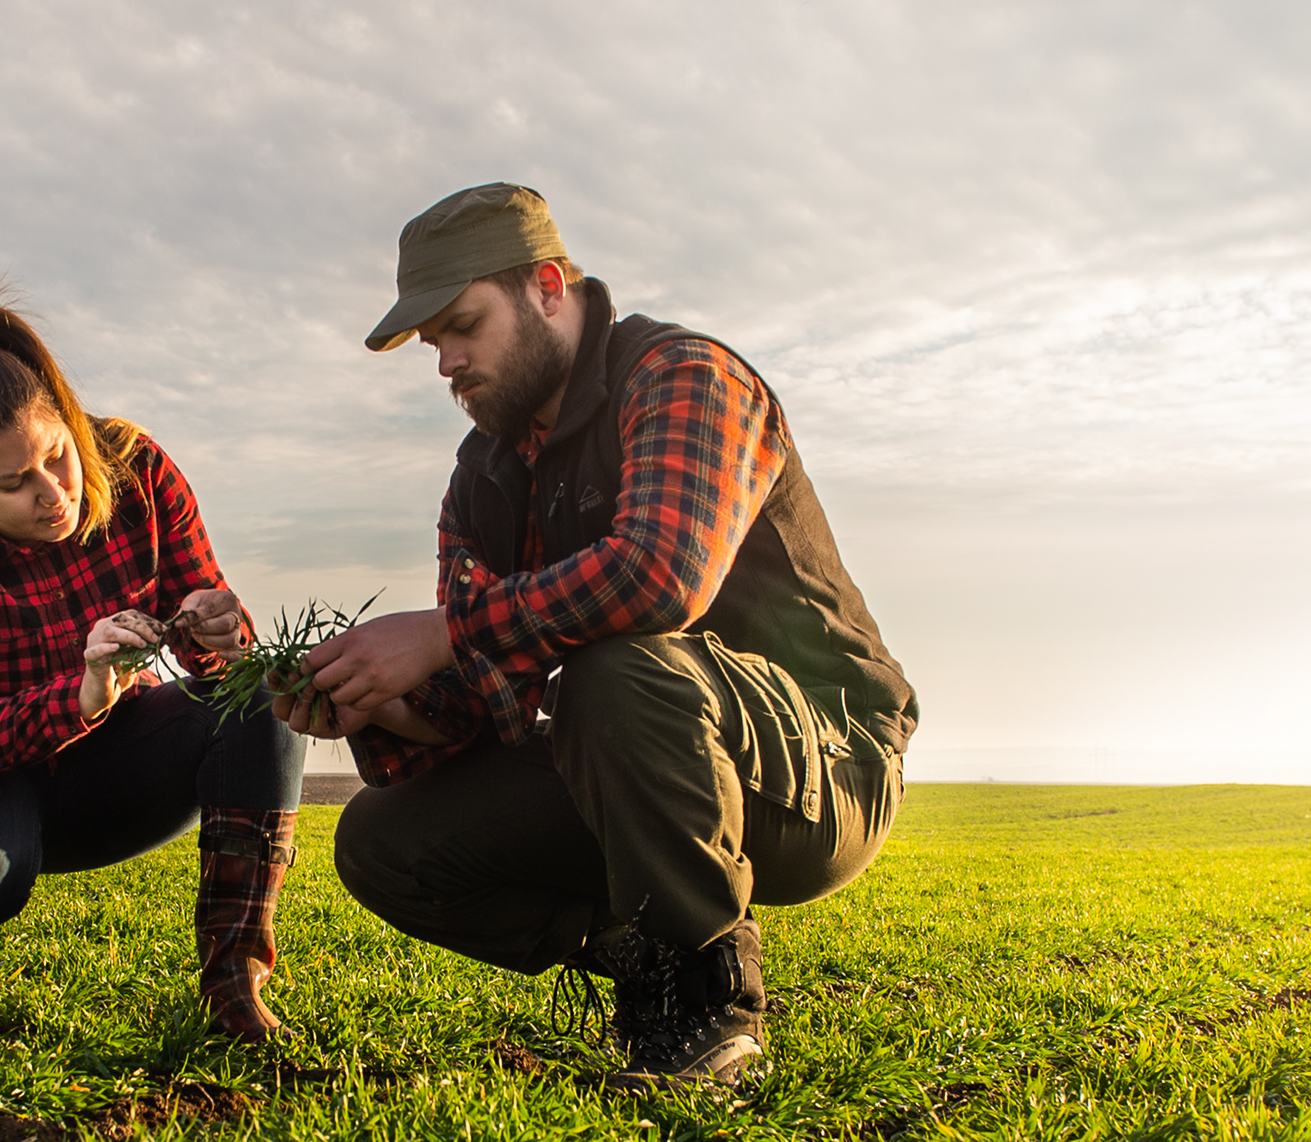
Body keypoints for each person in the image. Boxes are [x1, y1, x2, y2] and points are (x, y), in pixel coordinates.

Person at [282, 184, 917, 1086]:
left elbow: (659, 575)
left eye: (463, 325)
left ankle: (706, 1005)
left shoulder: (683, 377)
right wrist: (371, 701)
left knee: (614, 668)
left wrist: (447, 631)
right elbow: (475, 700)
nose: (446, 364)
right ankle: (646, 950)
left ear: (548, 286)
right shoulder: (482, 478)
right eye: (434, 344)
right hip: (634, 762)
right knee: (383, 840)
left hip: (824, 764)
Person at [0, 295, 303, 1041]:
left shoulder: (138, 468)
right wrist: (84, 693)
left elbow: (211, 657)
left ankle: (234, 983)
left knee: (257, 703)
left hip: (103, 765)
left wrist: (222, 629)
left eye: (56, 455)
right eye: (13, 483)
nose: (54, 493)